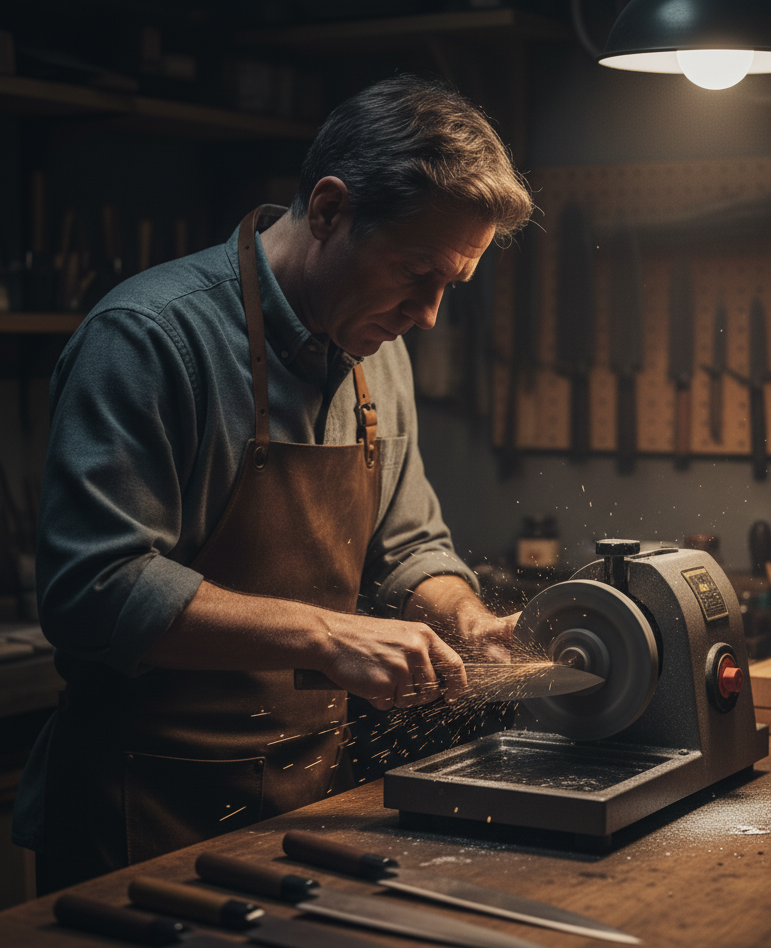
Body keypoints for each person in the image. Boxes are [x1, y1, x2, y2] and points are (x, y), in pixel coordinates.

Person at [13, 74, 534, 894]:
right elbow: (94, 590)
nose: (430, 315)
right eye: (416, 272)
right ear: (329, 211)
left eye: (451, 286)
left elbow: (410, 546)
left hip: (307, 800)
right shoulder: (149, 339)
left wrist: (465, 618)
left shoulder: (378, 353)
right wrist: (331, 636)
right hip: (139, 807)